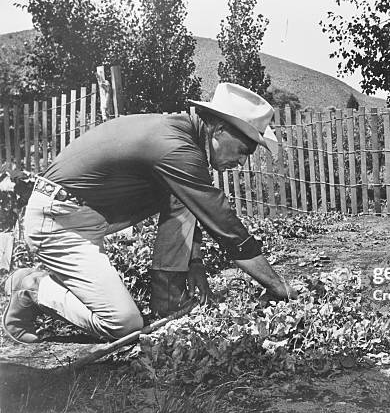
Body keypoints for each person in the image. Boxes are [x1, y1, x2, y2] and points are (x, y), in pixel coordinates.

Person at [3, 82, 298, 344]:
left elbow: (193, 207)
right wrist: (278, 286)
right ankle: (32, 286)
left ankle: (167, 298)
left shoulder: (182, 136)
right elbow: (226, 227)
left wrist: (194, 264)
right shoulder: (176, 149)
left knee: (182, 197)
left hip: (82, 214)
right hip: (57, 222)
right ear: (219, 129)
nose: (243, 162)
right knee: (123, 325)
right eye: (244, 150)